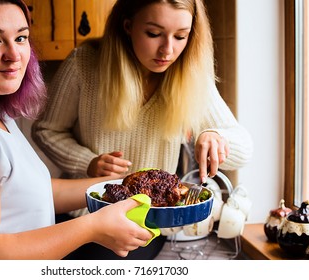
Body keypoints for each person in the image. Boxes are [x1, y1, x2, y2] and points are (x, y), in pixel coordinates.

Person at [0, 0, 154, 260]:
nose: (13, 54)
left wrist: (122, 183)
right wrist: (93, 227)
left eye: (21, 38)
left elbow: (33, 191)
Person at [31, 0, 253, 259]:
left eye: (181, 36)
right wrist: (87, 162)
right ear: (128, 26)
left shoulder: (191, 76)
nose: (167, 50)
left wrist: (215, 135)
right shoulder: (85, 65)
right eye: (153, 34)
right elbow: (46, 130)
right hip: (82, 215)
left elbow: (244, 148)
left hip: (145, 225)